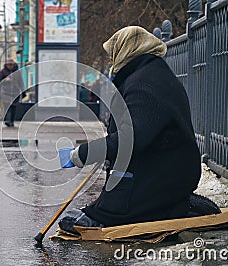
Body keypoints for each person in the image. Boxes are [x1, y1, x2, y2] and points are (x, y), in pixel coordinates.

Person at [60, 26, 203, 232]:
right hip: (168, 171)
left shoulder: (145, 83)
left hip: (163, 176)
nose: (111, 60)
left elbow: (132, 138)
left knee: (100, 212)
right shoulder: (150, 73)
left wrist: (81, 154)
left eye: (114, 54)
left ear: (127, 50)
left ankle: (112, 216)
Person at [0, 59, 24, 127]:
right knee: (7, 107)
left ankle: (12, 121)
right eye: (8, 65)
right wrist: (5, 80)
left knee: (13, 108)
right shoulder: (3, 71)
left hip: (15, 93)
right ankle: (7, 120)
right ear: (6, 65)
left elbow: (21, 82)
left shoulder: (17, 72)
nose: (10, 66)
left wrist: (23, 91)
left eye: (11, 65)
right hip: (6, 92)